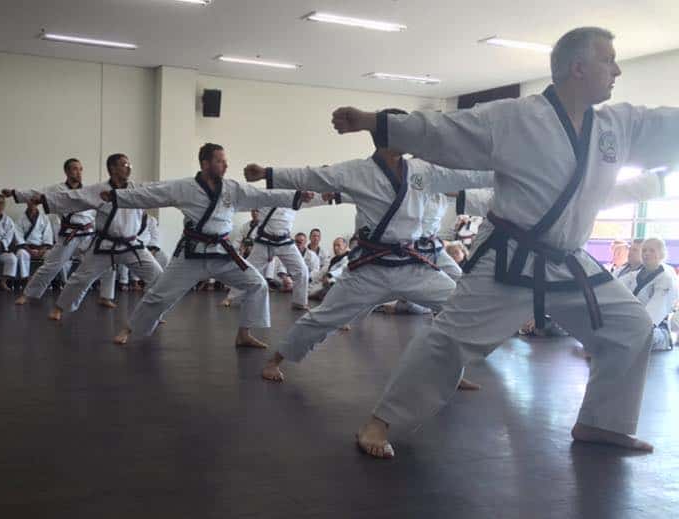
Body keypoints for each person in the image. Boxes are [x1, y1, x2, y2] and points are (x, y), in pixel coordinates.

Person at [332, 26, 679, 457]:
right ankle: (380, 422)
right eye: (608, 60)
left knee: (630, 326)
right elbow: (447, 128)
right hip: (509, 258)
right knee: (448, 342)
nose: (617, 70)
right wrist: (377, 123)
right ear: (578, 67)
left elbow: (667, 125)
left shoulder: (617, 125)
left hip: (567, 260)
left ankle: (602, 423)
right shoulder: (518, 118)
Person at [243, 116, 494, 386]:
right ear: (387, 137)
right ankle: (274, 360)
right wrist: (267, 173)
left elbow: (468, 175)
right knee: (323, 318)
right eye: (405, 132)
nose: (412, 138)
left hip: (412, 266)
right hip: (370, 269)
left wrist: (509, 169)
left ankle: (451, 371)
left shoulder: (423, 170)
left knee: (459, 307)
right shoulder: (358, 171)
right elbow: (313, 175)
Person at [97, 143, 312, 347]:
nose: (225, 165)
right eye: (220, 161)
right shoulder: (185, 187)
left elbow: (263, 195)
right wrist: (117, 197)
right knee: (159, 295)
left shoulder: (232, 188)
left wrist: (296, 196)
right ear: (205, 164)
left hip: (221, 253)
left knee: (257, 284)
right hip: (192, 255)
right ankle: (129, 328)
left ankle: (244, 334)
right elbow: (151, 194)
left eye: (225, 161)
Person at [29, 153, 163, 321]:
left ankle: (154, 312)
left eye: (130, 165)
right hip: (105, 246)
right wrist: (42, 199)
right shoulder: (98, 190)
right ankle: (59, 307)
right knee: (80, 279)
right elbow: (71, 197)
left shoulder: (136, 188)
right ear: (113, 168)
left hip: (131, 245)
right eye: (124, 165)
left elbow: (158, 188)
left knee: (158, 276)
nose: (129, 168)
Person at [2, 158, 99, 305]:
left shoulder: (89, 190)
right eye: (74, 169)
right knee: (51, 266)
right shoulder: (57, 189)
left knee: (106, 260)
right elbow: (36, 192)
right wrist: (14, 193)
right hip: (69, 234)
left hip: (88, 234)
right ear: (66, 171)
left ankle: (105, 296)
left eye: (80, 169)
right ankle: (28, 294)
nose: (78, 172)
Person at [621, 237, 678, 350]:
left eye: (652, 250)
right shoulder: (633, 276)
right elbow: (616, 287)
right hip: (631, 325)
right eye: (644, 250)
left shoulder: (666, 279)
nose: (647, 253)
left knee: (639, 336)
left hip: (656, 330)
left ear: (661, 254)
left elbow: (653, 315)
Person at [13, 199, 54, 289]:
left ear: (38, 204)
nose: (32, 204)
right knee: (21, 254)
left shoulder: (44, 218)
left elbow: (48, 235)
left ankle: (45, 280)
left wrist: (42, 250)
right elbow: (19, 236)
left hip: (41, 248)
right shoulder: (20, 219)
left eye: (34, 202)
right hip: (26, 248)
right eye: (30, 201)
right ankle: (25, 279)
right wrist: (29, 250)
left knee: (50, 255)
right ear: (27, 202)